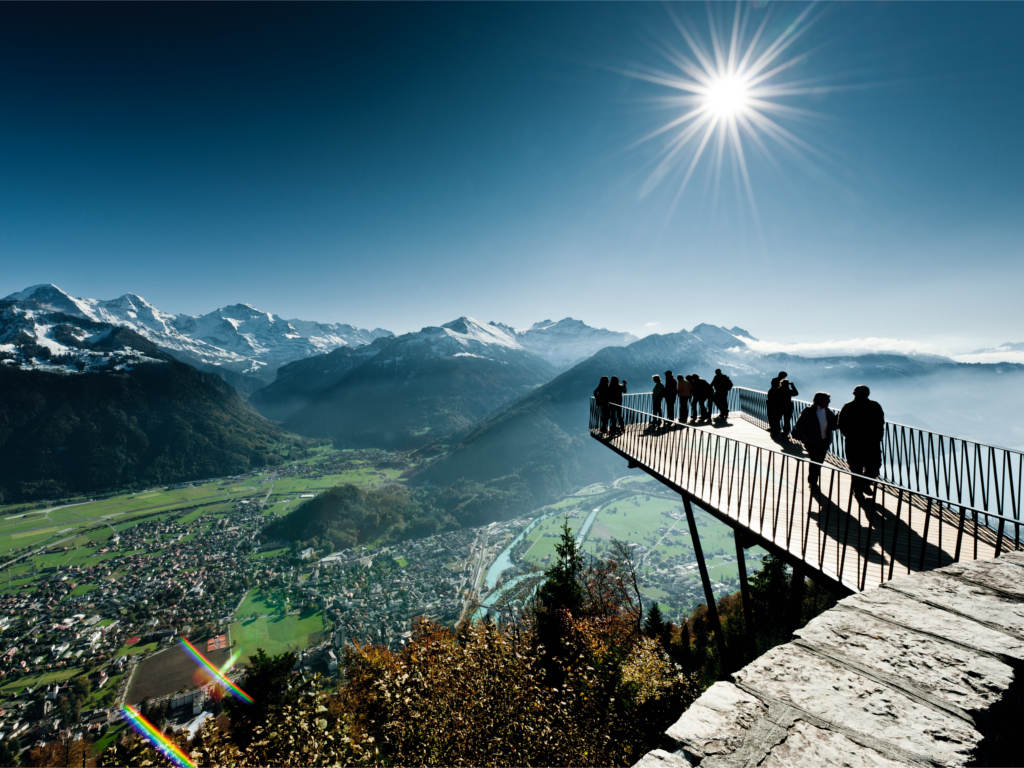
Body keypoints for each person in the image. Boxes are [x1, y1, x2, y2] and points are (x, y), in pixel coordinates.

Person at [839, 385, 885, 497]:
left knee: (860, 468)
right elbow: (880, 423)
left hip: (857, 443)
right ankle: (861, 488)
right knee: (869, 467)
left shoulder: (848, 406)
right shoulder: (875, 405)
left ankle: (861, 487)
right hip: (868, 443)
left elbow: (841, 424)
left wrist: (849, 435)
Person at [794, 392, 837, 492]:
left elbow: (833, 426)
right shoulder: (809, 411)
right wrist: (805, 439)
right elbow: (799, 425)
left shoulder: (828, 411)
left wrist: (838, 419)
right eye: (827, 400)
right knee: (815, 461)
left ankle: (813, 481)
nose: (829, 402)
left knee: (818, 462)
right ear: (820, 400)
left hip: (824, 442)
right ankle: (812, 482)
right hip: (812, 442)